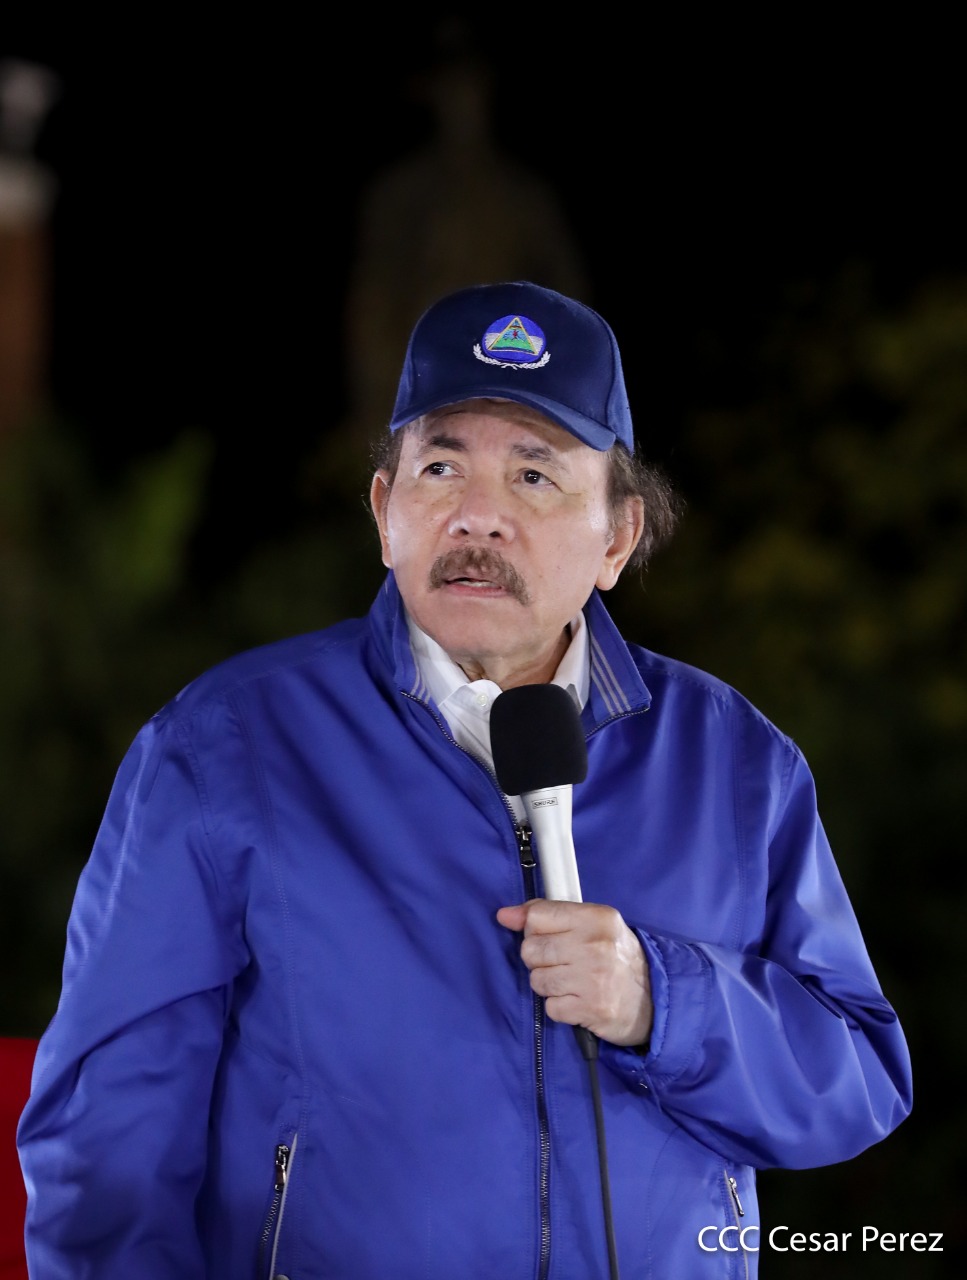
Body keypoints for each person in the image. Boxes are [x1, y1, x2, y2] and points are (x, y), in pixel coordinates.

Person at [18, 281, 912, 1279]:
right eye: (440, 467)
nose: (477, 516)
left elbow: (855, 1079)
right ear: (384, 512)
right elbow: (108, 1145)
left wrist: (659, 1001)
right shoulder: (227, 746)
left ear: (617, 537)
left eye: (534, 475)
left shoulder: (735, 763)